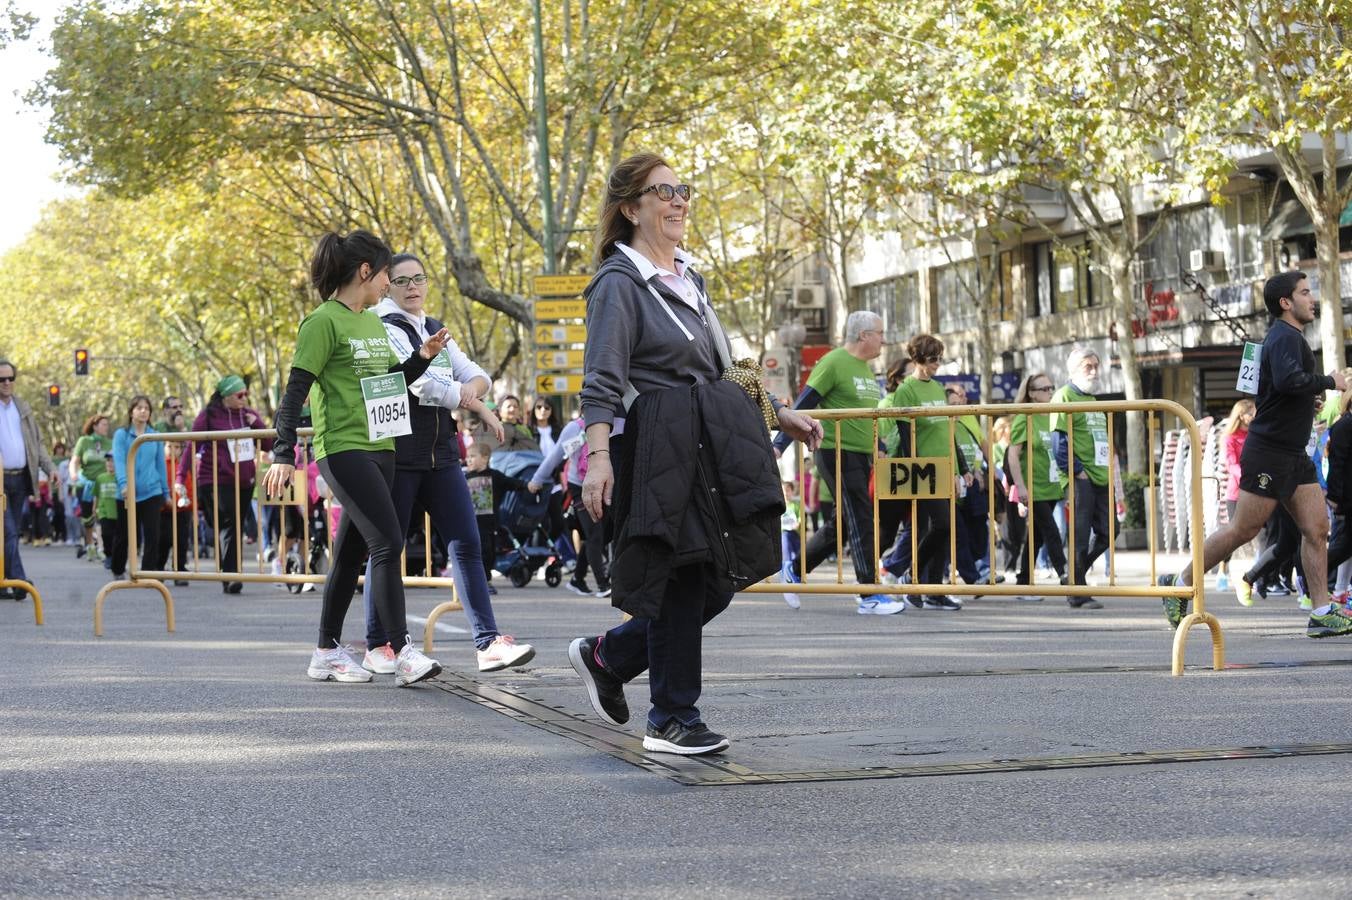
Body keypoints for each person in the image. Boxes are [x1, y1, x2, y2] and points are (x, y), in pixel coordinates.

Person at [568, 152, 821, 756]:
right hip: (653, 445)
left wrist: (779, 410)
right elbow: (601, 380)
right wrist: (597, 458)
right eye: (663, 193)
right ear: (631, 209)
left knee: (716, 578)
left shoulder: (689, 276)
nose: (679, 201)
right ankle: (671, 717)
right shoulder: (618, 284)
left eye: (682, 190)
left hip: (706, 442)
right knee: (683, 576)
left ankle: (611, 655)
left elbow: (725, 366)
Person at [264, 229, 449, 685]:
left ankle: (325, 651)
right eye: (387, 274)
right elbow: (294, 394)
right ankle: (402, 650)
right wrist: (283, 452)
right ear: (367, 272)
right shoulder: (322, 322)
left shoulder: (371, 322)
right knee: (387, 542)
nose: (390, 284)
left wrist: (422, 358)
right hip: (343, 448)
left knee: (348, 555)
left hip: (381, 446)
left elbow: (388, 383)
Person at [357, 252, 535, 675]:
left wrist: (471, 394)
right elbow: (422, 385)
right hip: (399, 454)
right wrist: (477, 404)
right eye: (402, 281)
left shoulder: (434, 327)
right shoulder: (383, 326)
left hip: (443, 455)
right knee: (388, 549)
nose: (413, 287)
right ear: (387, 286)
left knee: (467, 542)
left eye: (420, 278)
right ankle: (377, 644)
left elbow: (475, 374)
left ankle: (487, 642)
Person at [1160, 271, 1351, 637]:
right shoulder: (1283, 337)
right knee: (1243, 529)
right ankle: (1179, 582)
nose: (1312, 299)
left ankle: (1322, 611)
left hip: (1294, 454)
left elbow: (1281, 388)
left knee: (1317, 529)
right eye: (1305, 293)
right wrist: (1329, 382)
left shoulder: (1291, 339)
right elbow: (1286, 380)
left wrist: (1304, 400)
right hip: (1270, 454)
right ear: (1286, 303)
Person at [772, 310, 905, 615]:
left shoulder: (865, 369)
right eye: (880, 334)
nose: (884, 340)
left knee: (844, 523)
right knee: (861, 516)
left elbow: (865, 415)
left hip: (862, 453)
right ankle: (868, 594)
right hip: (835, 450)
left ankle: (794, 568)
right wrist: (779, 445)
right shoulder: (833, 362)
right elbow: (804, 403)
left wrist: (879, 445)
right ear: (864, 335)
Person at [881, 335, 969, 610]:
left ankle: (932, 590)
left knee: (944, 530)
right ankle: (912, 576)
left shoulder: (939, 389)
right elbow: (907, 435)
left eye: (939, 359)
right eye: (933, 359)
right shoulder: (906, 390)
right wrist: (916, 468)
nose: (937, 365)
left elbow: (947, 430)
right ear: (918, 358)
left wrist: (961, 468)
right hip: (924, 469)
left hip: (945, 466)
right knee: (940, 525)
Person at [187, 376, 264, 594]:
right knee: (228, 526)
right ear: (227, 397)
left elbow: (268, 442)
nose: (244, 398)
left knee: (235, 527)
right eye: (240, 395)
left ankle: (228, 573)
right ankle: (231, 575)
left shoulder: (249, 415)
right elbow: (191, 446)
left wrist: (255, 423)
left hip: (244, 480)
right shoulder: (209, 416)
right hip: (216, 480)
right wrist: (180, 476)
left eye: (246, 394)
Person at [1049, 345, 1113, 609]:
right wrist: (1077, 471)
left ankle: (1073, 577)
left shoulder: (1093, 401)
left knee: (1110, 530)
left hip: (1100, 476)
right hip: (1081, 477)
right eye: (1089, 366)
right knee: (1079, 533)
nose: (1094, 371)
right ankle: (1077, 592)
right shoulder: (1063, 396)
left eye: (1096, 365)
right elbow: (1058, 441)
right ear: (1073, 370)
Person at [528, 414, 609, 597]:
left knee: (597, 536)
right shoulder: (576, 428)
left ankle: (577, 580)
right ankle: (603, 585)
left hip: (603, 484)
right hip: (579, 486)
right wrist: (537, 479)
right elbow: (555, 456)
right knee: (595, 534)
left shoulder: (610, 420)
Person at [1006, 373, 1068, 596]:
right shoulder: (1025, 417)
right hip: (1034, 487)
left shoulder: (1052, 415)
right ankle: (1065, 574)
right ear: (1031, 393)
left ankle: (1023, 580)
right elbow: (1013, 455)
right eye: (1044, 389)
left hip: (1051, 485)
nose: (1050, 392)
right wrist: (1021, 486)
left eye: (1052, 388)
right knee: (1051, 530)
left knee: (1037, 536)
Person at [0, 360, 56, 599]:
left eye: (10, 378)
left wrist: (50, 467)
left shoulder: (23, 407)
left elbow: (37, 442)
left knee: (7, 533)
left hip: (19, 479)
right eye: (1, 379)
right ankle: (20, 581)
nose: (6, 383)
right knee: (9, 531)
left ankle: (4, 581)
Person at [111, 395, 169, 578]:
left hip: (152, 491)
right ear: (131, 412)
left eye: (146, 408)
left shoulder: (155, 435)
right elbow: (119, 461)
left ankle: (147, 572)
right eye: (139, 408)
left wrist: (165, 492)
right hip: (127, 493)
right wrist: (123, 484)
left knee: (153, 535)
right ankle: (118, 569)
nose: (143, 411)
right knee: (124, 535)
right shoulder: (121, 434)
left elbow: (161, 465)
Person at [1218, 398, 1254, 595]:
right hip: (1237, 492)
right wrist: (1247, 478)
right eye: (1251, 414)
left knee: (1263, 531)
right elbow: (1231, 464)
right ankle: (1223, 570)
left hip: (1256, 490)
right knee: (1234, 536)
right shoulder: (1229, 438)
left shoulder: (1254, 435)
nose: (1254, 417)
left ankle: (1259, 574)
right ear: (1241, 415)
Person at [71, 414, 113, 561]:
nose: (106, 427)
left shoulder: (110, 443)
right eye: (103, 424)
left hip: (104, 485)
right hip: (86, 485)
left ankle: (102, 547)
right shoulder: (84, 441)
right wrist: (74, 474)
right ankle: (89, 546)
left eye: (107, 424)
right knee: (88, 518)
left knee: (102, 516)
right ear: (94, 426)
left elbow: (115, 461)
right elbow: (74, 461)